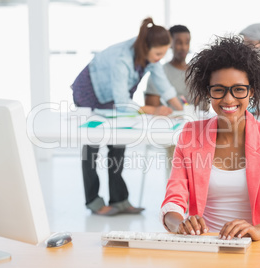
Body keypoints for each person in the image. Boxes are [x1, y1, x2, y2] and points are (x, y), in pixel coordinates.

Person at [160, 35, 260, 241]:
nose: (228, 99)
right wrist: (180, 224)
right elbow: (173, 202)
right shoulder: (190, 135)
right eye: (218, 90)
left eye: (238, 89)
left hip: (258, 246)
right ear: (208, 92)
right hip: (205, 245)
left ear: (251, 92)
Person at [71, 17, 183, 216]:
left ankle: (120, 200)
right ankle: (94, 202)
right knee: (91, 150)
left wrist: (179, 108)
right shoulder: (121, 59)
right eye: (158, 53)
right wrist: (153, 110)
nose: (160, 57)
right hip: (89, 94)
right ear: (146, 47)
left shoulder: (150, 53)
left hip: (114, 98)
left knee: (118, 145)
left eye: (164, 53)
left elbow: (162, 83)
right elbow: (122, 101)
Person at [144, 25, 191, 107]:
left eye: (187, 42)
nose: (184, 47)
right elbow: (151, 110)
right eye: (179, 43)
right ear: (169, 43)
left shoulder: (198, 73)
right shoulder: (158, 73)